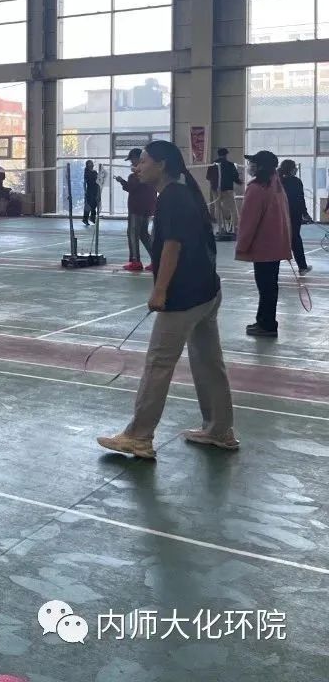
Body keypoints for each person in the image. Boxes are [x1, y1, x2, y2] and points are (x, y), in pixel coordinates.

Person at [97, 141, 236, 459]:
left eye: (143, 161)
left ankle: (138, 436)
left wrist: (160, 291)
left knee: (158, 364)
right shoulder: (185, 190)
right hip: (207, 291)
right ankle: (220, 429)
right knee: (209, 363)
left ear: (161, 165)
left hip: (183, 296)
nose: (137, 166)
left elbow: (173, 246)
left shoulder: (172, 196)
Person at [236, 150, 291, 338]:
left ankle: (267, 325)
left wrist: (242, 245)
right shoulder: (277, 186)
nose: (250, 166)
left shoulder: (256, 189)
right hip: (276, 246)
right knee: (270, 287)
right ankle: (264, 321)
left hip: (263, 247)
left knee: (265, 288)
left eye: (253, 163)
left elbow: (248, 221)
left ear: (260, 167)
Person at [115, 147, 156, 271]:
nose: (131, 162)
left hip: (136, 208)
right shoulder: (151, 173)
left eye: (132, 159)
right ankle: (156, 260)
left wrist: (121, 181)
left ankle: (135, 261)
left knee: (133, 233)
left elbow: (131, 188)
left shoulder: (136, 175)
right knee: (144, 234)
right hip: (149, 207)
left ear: (138, 158)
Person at [278, 159, 313, 276]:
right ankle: (302, 267)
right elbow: (300, 199)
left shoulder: (277, 180)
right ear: (292, 169)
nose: (296, 169)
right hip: (294, 214)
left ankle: (272, 267)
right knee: (295, 239)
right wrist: (305, 214)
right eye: (295, 167)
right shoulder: (296, 181)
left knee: (278, 239)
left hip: (279, 214)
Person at [215, 148, 241, 237]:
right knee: (232, 209)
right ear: (226, 155)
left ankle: (220, 229)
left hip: (216, 190)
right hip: (228, 189)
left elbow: (208, 177)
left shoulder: (213, 164)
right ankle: (234, 229)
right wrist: (240, 182)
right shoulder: (230, 165)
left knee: (218, 208)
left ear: (218, 154)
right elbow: (235, 177)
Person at [82, 160, 99, 226]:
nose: (91, 165)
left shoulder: (95, 172)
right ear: (87, 165)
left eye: (91, 163)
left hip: (95, 189)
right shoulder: (86, 172)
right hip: (90, 190)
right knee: (88, 205)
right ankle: (85, 219)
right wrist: (85, 191)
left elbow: (98, 180)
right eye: (90, 164)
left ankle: (92, 218)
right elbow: (85, 182)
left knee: (94, 204)